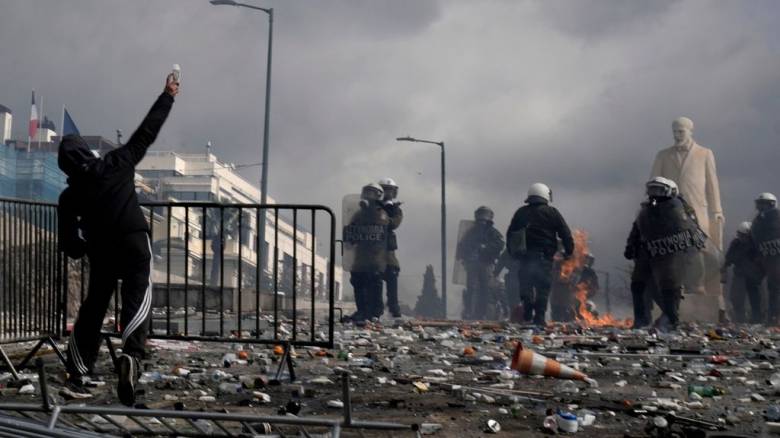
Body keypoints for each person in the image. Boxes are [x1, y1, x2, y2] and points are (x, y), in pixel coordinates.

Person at [57, 73, 179, 406]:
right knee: (138, 295)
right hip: (134, 240)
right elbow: (145, 134)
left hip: (101, 249)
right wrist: (167, 95)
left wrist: (82, 245)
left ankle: (79, 373)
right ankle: (131, 356)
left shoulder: (69, 196)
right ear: (87, 151)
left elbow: (70, 245)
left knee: (94, 307)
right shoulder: (116, 163)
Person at [634, 177, 706, 330]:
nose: (654, 194)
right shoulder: (648, 210)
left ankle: (671, 318)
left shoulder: (681, 209)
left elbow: (690, 231)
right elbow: (641, 231)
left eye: (659, 190)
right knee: (650, 286)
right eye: (652, 190)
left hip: (675, 254)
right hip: (655, 254)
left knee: (670, 286)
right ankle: (659, 317)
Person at [506, 183, 574, 326]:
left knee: (526, 284)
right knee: (543, 288)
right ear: (545, 195)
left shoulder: (521, 212)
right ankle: (539, 318)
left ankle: (528, 306)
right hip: (544, 258)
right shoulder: (552, 212)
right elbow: (565, 233)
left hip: (525, 257)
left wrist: (513, 253)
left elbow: (511, 234)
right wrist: (569, 251)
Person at [344, 183, 390, 323]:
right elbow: (350, 233)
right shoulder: (359, 214)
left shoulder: (381, 214)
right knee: (358, 283)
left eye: (372, 193)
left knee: (374, 286)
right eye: (367, 192)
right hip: (360, 259)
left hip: (375, 259)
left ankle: (375, 313)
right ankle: (362, 311)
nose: (368, 196)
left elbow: (383, 228)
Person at [456, 206, 504, 320]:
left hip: (486, 263)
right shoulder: (471, 232)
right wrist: (465, 257)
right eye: (480, 219)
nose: (482, 222)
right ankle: (469, 311)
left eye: (484, 219)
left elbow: (499, 245)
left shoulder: (493, 233)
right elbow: (462, 246)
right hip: (472, 263)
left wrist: (486, 248)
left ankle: (482, 313)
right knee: (471, 288)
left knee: (485, 289)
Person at [722, 221, 764, 323]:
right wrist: (725, 266)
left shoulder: (756, 245)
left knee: (756, 299)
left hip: (753, 277)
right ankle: (740, 319)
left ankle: (756, 319)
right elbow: (728, 258)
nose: (741, 238)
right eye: (740, 235)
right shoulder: (736, 243)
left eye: (743, 236)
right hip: (740, 275)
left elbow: (761, 260)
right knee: (736, 298)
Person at [750, 193, 780, 324]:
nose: (760, 206)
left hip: (776, 255)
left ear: (771, 204)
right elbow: (756, 239)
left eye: (763, 204)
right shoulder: (758, 220)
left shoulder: (776, 217)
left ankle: (774, 317)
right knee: (766, 286)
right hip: (766, 257)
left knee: (775, 287)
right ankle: (767, 316)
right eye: (759, 203)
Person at [379, 178, 403, 318]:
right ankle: (375, 309)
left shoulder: (395, 210)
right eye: (385, 190)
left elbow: (394, 224)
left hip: (387, 251)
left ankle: (394, 308)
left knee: (392, 273)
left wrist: (388, 211)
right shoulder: (371, 207)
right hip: (371, 250)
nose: (388, 193)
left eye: (390, 190)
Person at [624, 217, 655, 328]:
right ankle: (642, 320)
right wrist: (630, 248)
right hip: (647, 261)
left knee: (658, 290)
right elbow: (634, 235)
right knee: (640, 288)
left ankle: (670, 318)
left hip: (660, 262)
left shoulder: (674, 212)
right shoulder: (645, 215)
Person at [494, 249, 522, 322]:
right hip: (515, 276)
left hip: (519, 276)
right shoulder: (511, 249)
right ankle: (515, 317)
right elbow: (502, 261)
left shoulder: (511, 249)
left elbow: (501, 261)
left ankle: (517, 317)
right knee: (513, 298)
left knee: (515, 298)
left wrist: (495, 273)